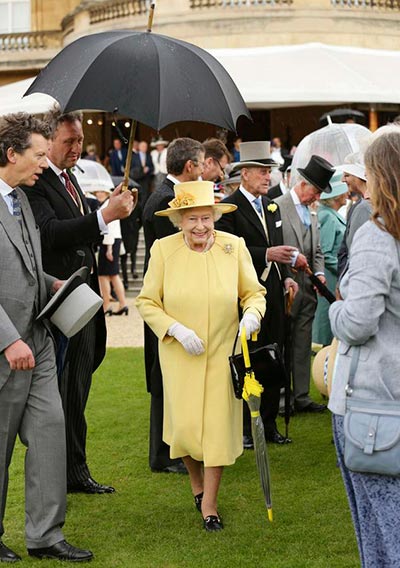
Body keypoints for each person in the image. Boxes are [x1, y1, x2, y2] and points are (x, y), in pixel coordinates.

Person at [136, 180, 266, 532]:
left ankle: (209, 503)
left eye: (206, 218)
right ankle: (196, 485)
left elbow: (254, 293)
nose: (200, 226)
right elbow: (147, 301)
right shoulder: (164, 250)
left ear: (214, 217)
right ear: (179, 220)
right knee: (187, 431)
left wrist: (253, 314)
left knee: (218, 431)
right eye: (191, 219)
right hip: (180, 355)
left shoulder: (233, 246)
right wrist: (175, 330)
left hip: (224, 352)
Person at [21, 108, 134, 494]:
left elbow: (80, 233)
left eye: (80, 140)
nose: (76, 148)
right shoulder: (34, 183)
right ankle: (72, 472)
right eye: (68, 141)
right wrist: (103, 216)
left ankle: (73, 469)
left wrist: (105, 211)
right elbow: (51, 234)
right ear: (48, 141)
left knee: (79, 388)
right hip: (61, 303)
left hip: (83, 300)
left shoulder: (71, 179)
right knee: (67, 392)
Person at [0, 112, 93, 563]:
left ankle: (45, 535)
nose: (44, 162)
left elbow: (26, 266)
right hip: (6, 348)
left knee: (51, 432)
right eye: (38, 154)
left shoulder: (21, 196)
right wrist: (7, 340)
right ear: (10, 153)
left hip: (38, 340)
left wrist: (52, 283)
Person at [329, 129, 400, 568]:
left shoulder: (378, 233)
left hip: (372, 403)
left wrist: (336, 310)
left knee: (382, 533)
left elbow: (356, 322)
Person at [216, 141, 298, 446]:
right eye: (263, 171)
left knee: (275, 357)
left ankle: (270, 423)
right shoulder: (230, 208)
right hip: (246, 298)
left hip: (275, 293)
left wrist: (288, 277)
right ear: (245, 173)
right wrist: (266, 254)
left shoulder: (271, 205)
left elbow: (280, 249)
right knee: (252, 360)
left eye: (269, 172)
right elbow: (227, 251)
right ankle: (249, 428)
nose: (268, 177)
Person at [142, 137, 205, 473]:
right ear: (190, 166)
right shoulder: (165, 200)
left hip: (174, 298)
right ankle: (164, 455)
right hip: (166, 302)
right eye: (203, 163)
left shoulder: (169, 195)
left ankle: (173, 449)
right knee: (164, 376)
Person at [276, 155, 335, 413]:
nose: (317, 198)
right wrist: (292, 259)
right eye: (316, 191)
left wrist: (319, 274)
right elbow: (271, 247)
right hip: (284, 290)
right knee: (282, 345)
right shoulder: (276, 206)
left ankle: (301, 397)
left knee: (302, 345)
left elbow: (318, 251)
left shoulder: (313, 213)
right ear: (303, 184)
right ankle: (282, 398)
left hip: (308, 293)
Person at [72, 161, 128, 316]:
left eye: (101, 192)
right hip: (111, 241)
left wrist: (109, 248)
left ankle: (109, 304)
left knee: (106, 275)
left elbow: (110, 228)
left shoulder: (108, 205)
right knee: (111, 275)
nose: (98, 194)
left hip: (109, 242)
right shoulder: (107, 205)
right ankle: (118, 303)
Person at [312, 171, 348, 346]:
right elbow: (325, 253)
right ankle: (321, 351)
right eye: (344, 190)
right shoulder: (327, 215)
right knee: (326, 317)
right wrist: (344, 269)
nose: (348, 193)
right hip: (330, 277)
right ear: (337, 195)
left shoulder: (331, 214)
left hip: (335, 276)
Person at [337, 155, 370, 278]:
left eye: (347, 175)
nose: (342, 180)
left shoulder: (364, 208)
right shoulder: (358, 205)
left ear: (359, 176)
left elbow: (355, 252)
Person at [130, 140, 154, 204]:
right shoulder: (134, 156)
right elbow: (131, 168)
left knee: (145, 196)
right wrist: (140, 170)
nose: (144, 148)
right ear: (139, 147)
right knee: (136, 195)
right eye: (143, 146)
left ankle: (143, 211)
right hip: (137, 179)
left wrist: (148, 169)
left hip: (146, 179)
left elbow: (152, 167)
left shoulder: (149, 156)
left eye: (146, 146)